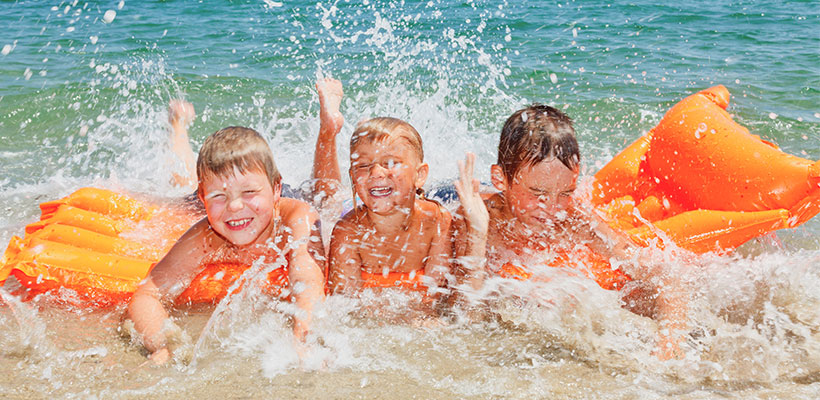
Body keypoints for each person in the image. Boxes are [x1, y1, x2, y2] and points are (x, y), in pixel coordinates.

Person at [452, 104, 687, 360]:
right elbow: (467, 320)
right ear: (500, 179)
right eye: (538, 194)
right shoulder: (477, 220)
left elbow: (666, 277)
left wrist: (670, 339)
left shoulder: (573, 220)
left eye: (565, 193)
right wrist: (477, 233)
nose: (552, 209)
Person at [127, 126, 326, 364]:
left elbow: (307, 278)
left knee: (324, 195)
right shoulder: (206, 236)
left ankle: (327, 131)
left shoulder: (296, 220)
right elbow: (147, 294)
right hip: (227, 201)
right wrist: (164, 343)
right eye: (218, 197)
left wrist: (304, 336)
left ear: (276, 189)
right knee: (178, 201)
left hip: (292, 197)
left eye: (249, 191)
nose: (234, 206)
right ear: (203, 197)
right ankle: (178, 128)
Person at [310, 78, 452, 300]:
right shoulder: (347, 232)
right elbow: (344, 306)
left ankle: (366, 135)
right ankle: (329, 130)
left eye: (390, 162)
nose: (375, 172)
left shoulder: (437, 222)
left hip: (381, 193)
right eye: (363, 166)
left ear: (420, 175)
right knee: (327, 199)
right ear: (353, 178)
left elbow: (437, 297)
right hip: (354, 205)